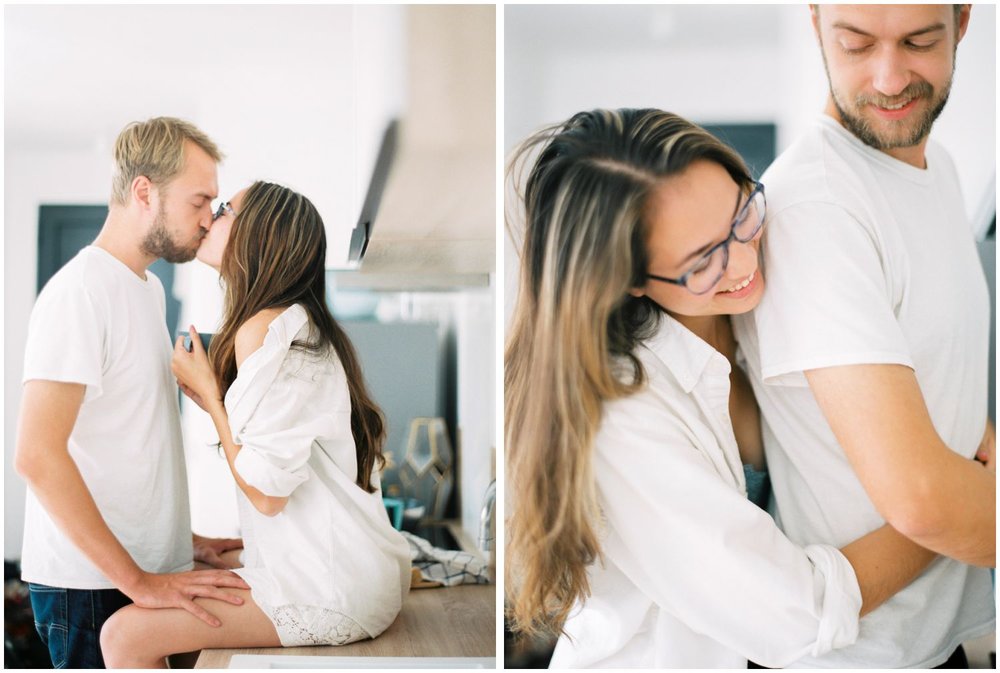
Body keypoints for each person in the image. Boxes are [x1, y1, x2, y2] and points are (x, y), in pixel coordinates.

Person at [503, 107, 956, 668]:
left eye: (742, 214)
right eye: (702, 261)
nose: (745, 260)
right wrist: (944, 510)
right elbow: (794, 613)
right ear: (629, 280)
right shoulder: (620, 419)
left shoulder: (758, 303)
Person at [732, 4, 995, 667]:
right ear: (816, 22)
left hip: (934, 639)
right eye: (855, 45)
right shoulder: (816, 204)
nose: (888, 77)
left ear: (962, 22)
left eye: (918, 41)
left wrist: (982, 436)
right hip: (852, 654)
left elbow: (937, 361)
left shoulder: (941, 172)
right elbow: (924, 502)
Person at [99, 181, 412, 668]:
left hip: (334, 589)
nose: (209, 217)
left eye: (224, 210)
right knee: (195, 564)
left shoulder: (268, 328)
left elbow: (268, 495)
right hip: (354, 569)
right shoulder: (292, 322)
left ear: (257, 235)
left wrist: (211, 398)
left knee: (123, 636)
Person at [14, 117, 251, 669]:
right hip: (91, 588)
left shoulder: (146, 291)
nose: (209, 218)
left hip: (145, 573)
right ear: (144, 191)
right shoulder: (79, 293)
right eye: (200, 200)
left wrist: (183, 540)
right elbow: (36, 455)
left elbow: (128, 444)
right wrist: (138, 581)